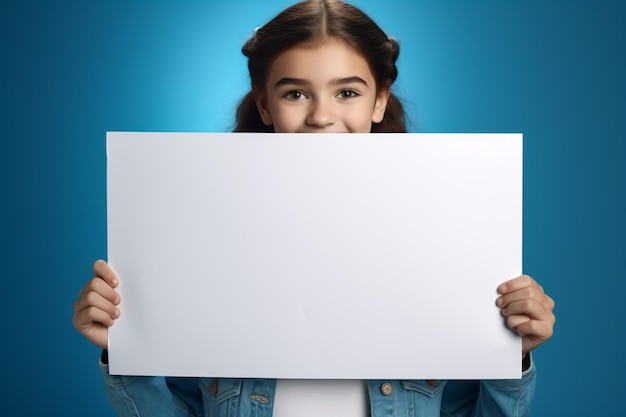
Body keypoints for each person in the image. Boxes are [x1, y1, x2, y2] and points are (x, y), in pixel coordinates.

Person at [73, 1, 556, 416]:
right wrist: (128, 352)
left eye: (347, 92)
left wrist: (509, 357)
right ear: (264, 105)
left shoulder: (447, 235)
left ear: (379, 100)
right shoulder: (199, 237)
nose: (321, 116)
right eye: (295, 93)